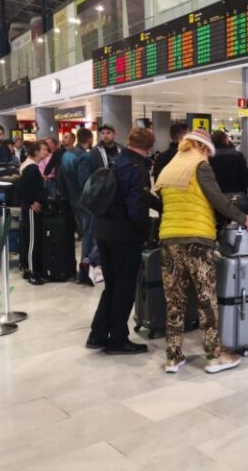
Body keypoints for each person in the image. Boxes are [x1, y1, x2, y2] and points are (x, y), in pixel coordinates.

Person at [154, 128, 248, 373]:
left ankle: (173, 357)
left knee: (174, 301)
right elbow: (217, 199)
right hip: (196, 241)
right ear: (202, 148)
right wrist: (242, 217)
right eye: (208, 152)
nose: (208, 156)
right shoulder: (200, 166)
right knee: (206, 299)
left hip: (168, 240)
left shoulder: (169, 167)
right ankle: (214, 355)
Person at [87, 128, 163, 354]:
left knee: (111, 286)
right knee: (125, 288)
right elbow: (135, 208)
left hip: (104, 231)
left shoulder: (117, 160)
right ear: (148, 146)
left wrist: (157, 203)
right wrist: (145, 233)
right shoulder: (138, 167)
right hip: (124, 237)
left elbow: (134, 195)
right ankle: (118, 339)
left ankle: (98, 334)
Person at [59, 127, 95, 283]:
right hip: (84, 202)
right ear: (89, 140)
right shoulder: (83, 157)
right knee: (90, 235)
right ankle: (85, 268)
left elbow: (61, 179)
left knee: (84, 232)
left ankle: (84, 267)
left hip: (73, 200)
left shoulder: (66, 155)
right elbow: (85, 182)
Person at [16, 141, 50, 285]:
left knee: (28, 237)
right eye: (43, 150)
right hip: (30, 209)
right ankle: (32, 271)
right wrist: (32, 202)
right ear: (36, 152)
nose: (46, 152)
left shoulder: (29, 165)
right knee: (32, 240)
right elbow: (20, 187)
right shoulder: (31, 168)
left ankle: (26, 266)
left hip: (28, 207)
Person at [208, 130, 248, 194]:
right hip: (235, 192)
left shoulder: (209, 156)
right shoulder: (238, 155)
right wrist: (244, 191)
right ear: (225, 139)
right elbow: (244, 176)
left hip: (216, 194)